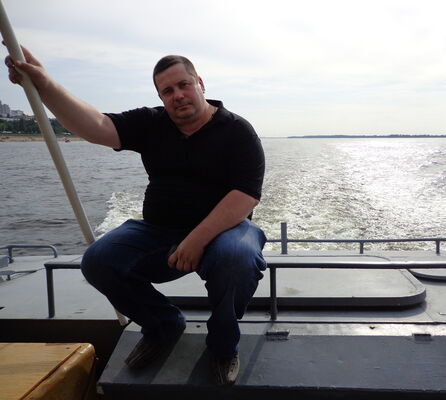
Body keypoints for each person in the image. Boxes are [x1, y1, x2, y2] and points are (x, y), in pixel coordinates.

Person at [5, 47, 267, 385]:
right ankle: (163, 325)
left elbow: (245, 196)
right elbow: (96, 125)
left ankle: (222, 345)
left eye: (184, 85)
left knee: (237, 258)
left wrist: (196, 240)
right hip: (159, 230)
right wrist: (44, 84)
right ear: (160, 97)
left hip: (224, 230)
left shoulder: (237, 131)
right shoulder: (152, 123)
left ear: (200, 84)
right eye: (167, 91)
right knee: (98, 261)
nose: (177, 95)